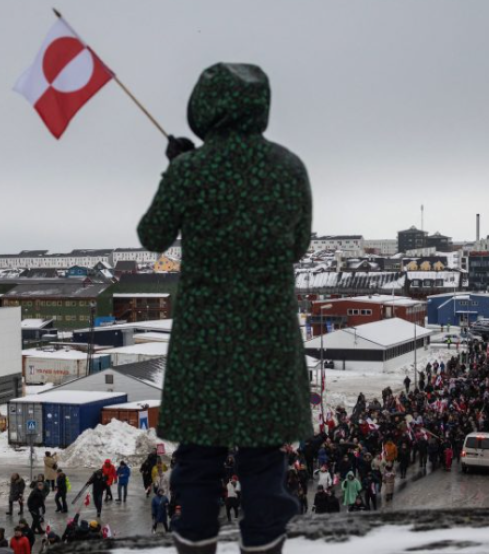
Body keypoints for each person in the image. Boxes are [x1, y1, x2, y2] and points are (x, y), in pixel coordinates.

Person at [138, 62, 311, 554]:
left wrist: (178, 170)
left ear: (203, 107)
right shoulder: (289, 167)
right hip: (267, 337)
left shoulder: (192, 171)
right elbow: (297, 245)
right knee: (263, 463)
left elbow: (152, 235)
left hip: (205, 339)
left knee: (197, 461)